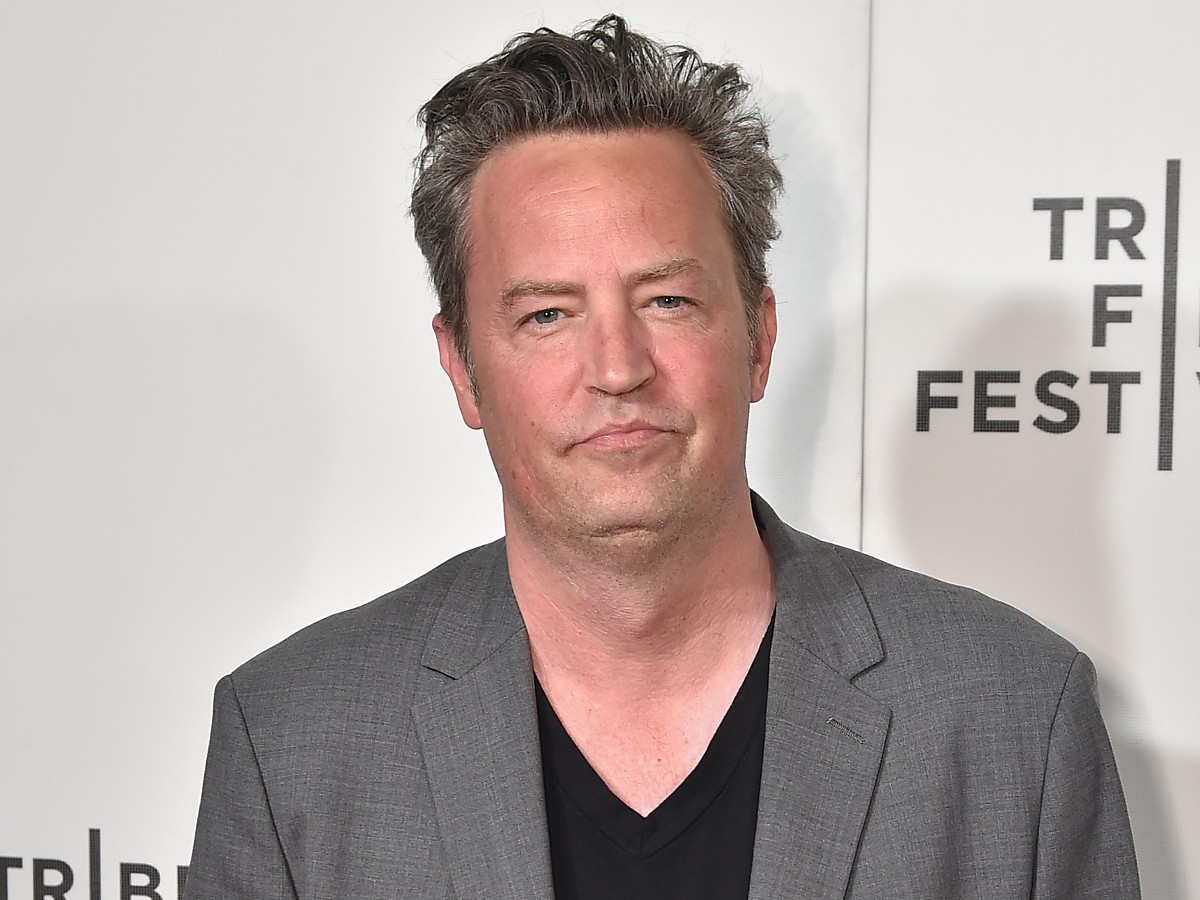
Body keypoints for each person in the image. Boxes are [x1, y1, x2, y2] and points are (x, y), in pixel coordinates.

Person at [183, 15, 1140, 899]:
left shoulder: (1014, 718)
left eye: (668, 302)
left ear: (758, 340)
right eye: (546, 315)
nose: (617, 368)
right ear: (463, 371)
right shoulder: (292, 744)